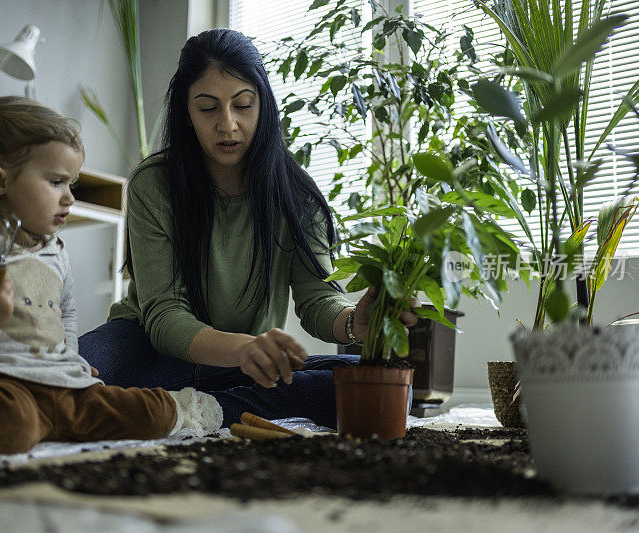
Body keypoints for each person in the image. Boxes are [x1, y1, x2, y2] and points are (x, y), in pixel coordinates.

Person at [78, 28, 419, 430]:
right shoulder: (154, 184)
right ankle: (183, 405)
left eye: (243, 105)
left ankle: (186, 408)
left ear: (263, 105)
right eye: (208, 108)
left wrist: (351, 323)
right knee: (63, 376)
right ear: (186, 113)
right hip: (149, 348)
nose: (228, 124)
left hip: (240, 363)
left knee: (386, 384)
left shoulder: (296, 194)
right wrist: (244, 349)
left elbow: (316, 298)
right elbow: (166, 316)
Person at [0, 96, 221, 454]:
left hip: (57, 385)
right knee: (12, 423)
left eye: (73, 184)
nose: (70, 199)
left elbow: (65, 313)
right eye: (56, 182)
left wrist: (72, 360)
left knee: (147, 414)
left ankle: (180, 412)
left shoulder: (54, 251)